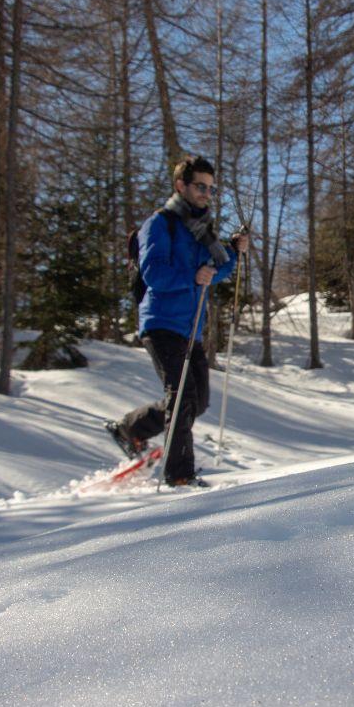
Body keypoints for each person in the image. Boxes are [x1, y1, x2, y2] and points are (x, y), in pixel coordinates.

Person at [106, 156, 248, 487]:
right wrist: (193, 275)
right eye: (201, 186)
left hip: (190, 328)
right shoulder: (160, 224)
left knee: (197, 402)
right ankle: (179, 475)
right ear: (181, 186)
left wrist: (233, 251)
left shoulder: (201, 231)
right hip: (161, 323)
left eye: (211, 189)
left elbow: (213, 272)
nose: (206, 194)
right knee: (182, 397)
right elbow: (153, 273)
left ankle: (131, 429)